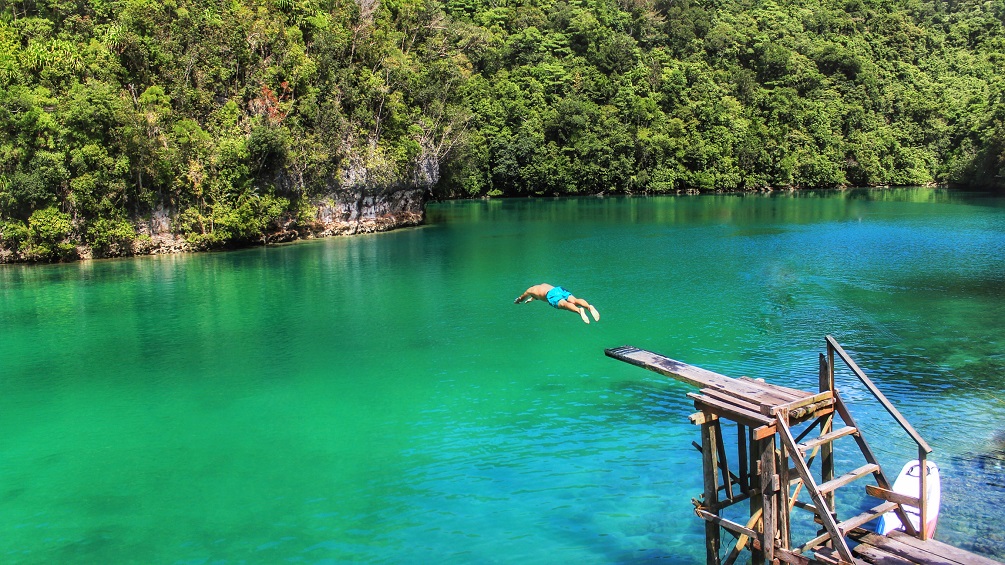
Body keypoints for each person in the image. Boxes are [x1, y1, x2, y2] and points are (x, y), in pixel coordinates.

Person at [514, 283, 600, 324]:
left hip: (551, 295)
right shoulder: (543, 284)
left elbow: (521, 298)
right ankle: (589, 307)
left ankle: (579, 310)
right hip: (558, 289)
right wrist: (532, 299)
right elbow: (539, 294)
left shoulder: (530, 290)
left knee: (564, 304)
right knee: (574, 300)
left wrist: (518, 300)